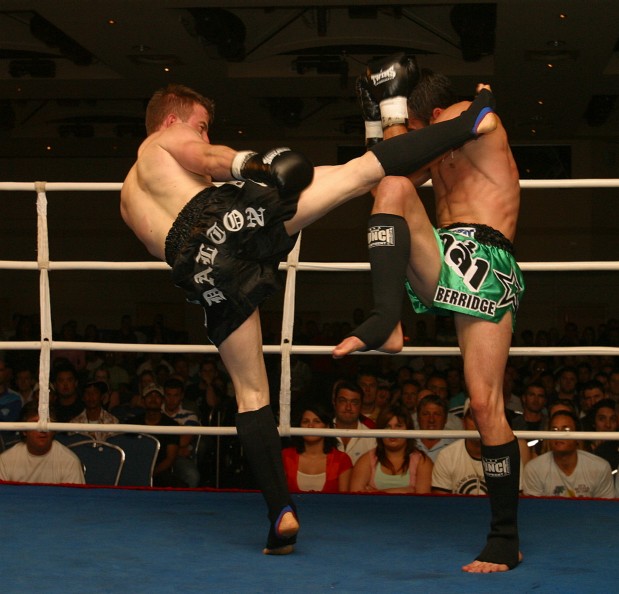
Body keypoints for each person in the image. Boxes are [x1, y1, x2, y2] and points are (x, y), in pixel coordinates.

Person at [120, 77, 496, 554]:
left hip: (197, 273)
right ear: (172, 119)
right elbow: (209, 158)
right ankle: (472, 121)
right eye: (201, 124)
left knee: (251, 394)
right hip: (221, 221)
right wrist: (253, 164)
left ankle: (281, 514)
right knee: (361, 172)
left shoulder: (127, 197)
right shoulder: (162, 139)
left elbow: (183, 245)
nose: (205, 133)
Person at [334, 61, 523, 572]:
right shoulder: (437, 143)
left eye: (410, 125)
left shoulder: (468, 116)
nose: (407, 137)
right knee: (393, 187)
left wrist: (396, 113)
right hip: (442, 254)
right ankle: (388, 319)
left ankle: (505, 538)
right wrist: (377, 121)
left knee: (484, 405)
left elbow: (478, 120)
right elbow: (383, 178)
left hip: (485, 261)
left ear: (435, 114)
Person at [522, 410, 614, 498]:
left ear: (577, 436)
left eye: (566, 430)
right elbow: (535, 507)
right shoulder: (534, 469)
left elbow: (604, 507)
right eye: (554, 430)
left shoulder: (599, 467)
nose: (559, 435)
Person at [350, 403, 432, 494]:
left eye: (398, 426)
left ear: (408, 429)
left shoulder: (422, 461)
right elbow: (356, 499)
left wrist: (374, 493)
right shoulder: (366, 460)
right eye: (387, 426)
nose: (393, 431)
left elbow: (422, 500)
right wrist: (404, 491)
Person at [0, 401, 85, 484]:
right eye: (35, 423)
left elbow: (75, 494)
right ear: (24, 431)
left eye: (47, 424)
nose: (42, 430)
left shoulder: (69, 462)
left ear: (53, 430)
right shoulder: (5, 461)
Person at [281, 404, 352, 493]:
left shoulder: (341, 459)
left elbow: (345, 499)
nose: (310, 426)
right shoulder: (286, 456)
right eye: (305, 421)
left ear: (327, 427)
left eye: (317, 421)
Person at [162, 377, 201, 488]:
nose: (171, 399)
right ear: (164, 395)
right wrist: (176, 449)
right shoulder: (157, 413)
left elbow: (184, 441)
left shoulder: (190, 415)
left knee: (192, 476)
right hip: (159, 456)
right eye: (168, 395)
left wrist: (164, 442)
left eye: (176, 395)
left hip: (178, 458)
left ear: (182, 396)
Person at [331, 380, 377, 466]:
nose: (348, 407)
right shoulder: (323, 432)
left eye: (354, 402)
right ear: (334, 402)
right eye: (343, 401)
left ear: (361, 405)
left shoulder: (371, 438)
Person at [414, 394, 454, 462]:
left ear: (445, 419)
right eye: (426, 414)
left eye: (437, 414)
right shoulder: (407, 444)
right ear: (418, 418)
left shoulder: (455, 446)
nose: (431, 420)